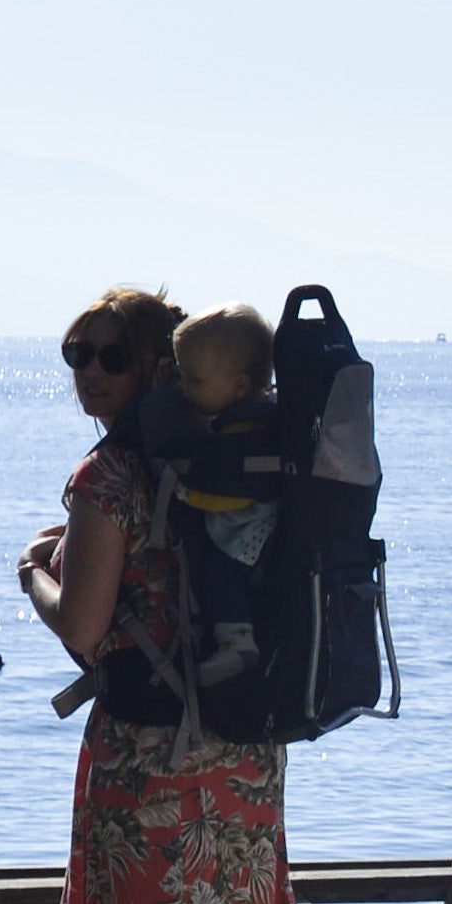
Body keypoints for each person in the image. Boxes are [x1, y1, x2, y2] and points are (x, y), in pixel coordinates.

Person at [17, 287, 306, 904]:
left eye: (105, 355)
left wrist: (33, 577)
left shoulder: (107, 481)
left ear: (153, 367)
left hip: (149, 759)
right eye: (74, 354)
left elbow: (84, 632)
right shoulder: (242, 456)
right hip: (243, 746)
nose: (85, 374)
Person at [148, 299, 283, 698]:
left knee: (224, 576)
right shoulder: (256, 420)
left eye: (194, 381)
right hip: (253, 525)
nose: (184, 390)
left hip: (248, 529)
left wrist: (187, 494)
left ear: (240, 386)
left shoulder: (246, 434)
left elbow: (231, 496)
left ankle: (238, 645)